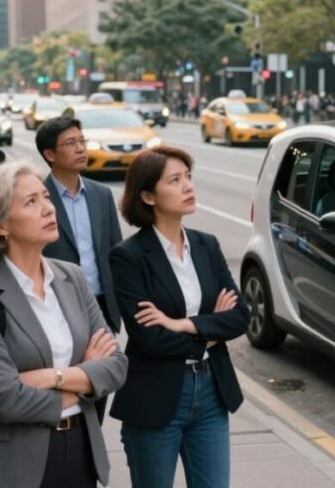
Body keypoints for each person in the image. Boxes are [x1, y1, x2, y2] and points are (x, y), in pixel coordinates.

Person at [0, 162, 127, 488]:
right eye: (31, 202)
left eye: (46, 197)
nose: (48, 208)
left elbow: (116, 366)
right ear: (1, 224)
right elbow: (4, 399)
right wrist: (87, 377)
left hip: (79, 449)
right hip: (12, 461)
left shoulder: (71, 276)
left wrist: (53, 377)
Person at [109, 145, 250, 488]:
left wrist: (182, 323)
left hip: (211, 391)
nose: (188, 186)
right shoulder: (128, 257)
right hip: (156, 396)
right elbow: (149, 338)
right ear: (148, 195)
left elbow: (241, 316)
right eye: (175, 180)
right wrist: (210, 328)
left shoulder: (207, 245)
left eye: (188, 177)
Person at [36, 117, 123, 335]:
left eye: (81, 141)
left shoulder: (101, 194)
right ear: (50, 155)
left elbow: (115, 251)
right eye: (70, 143)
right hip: (56, 305)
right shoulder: (37, 198)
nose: (80, 148)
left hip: (101, 304)